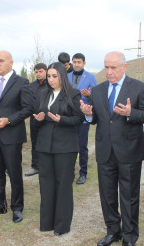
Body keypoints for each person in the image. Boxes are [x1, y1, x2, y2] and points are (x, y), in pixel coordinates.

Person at [80, 51, 144, 246]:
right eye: (106, 67)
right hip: (105, 151)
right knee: (107, 195)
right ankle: (113, 231)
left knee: (129, 196)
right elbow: (96, 119)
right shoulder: (97, 90)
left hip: (129, 151)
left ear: (124, 67)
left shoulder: (138, 87)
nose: (109, 72)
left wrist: (131, 113)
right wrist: (88, 115)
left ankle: (129, 236)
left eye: (113, 67)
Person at [0, 50, 32, 223]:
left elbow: (27, 109)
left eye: (1, 60)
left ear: (11, 62)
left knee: (14, 173)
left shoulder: (22, 83)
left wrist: (8, 120)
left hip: (11, 135)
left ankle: (17, 208)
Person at [33, 62, 84, 235]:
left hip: (65, 147)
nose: (51, 79)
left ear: (62, 76)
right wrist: (39, 119)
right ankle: (47, 222)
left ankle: (62, 226)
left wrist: (60, 119)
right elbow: (36, 121)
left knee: (63, 185)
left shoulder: (73, 94)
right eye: (49, 76)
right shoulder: (42, 94)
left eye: (55, 76)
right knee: (46, 184)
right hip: (44, 146)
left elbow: (79, 119)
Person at [67, 53, 97, 184]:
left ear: (84, 63)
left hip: (83, 118)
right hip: (68, 117)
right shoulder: (66, 76)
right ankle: (69, 173)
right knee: (68, 146)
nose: (76, 64)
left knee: (82, 146)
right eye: (74, 62)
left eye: (79, 62)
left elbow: (97, 97)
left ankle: (83, 173)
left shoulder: (91, 77)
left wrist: (90, 95)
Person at [25, 62, 47, 177]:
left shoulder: (51, 84)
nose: (38, 74)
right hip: (34, 119)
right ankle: (35, 166)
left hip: (48, 119)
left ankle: (47, 166)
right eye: (36, 72)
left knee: (47, 142)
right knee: (35, 143)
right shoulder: (31, 86)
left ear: (46, 71)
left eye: (40, 71)